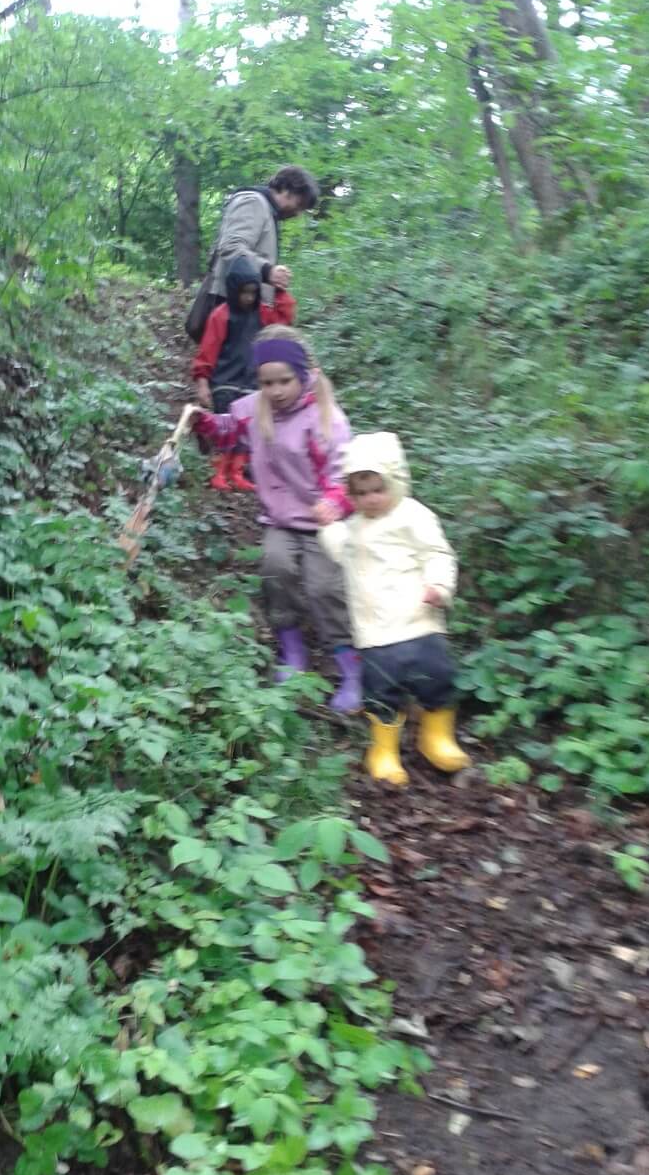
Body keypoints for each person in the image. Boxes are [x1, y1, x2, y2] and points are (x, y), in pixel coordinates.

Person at [192, 325, 361, 713]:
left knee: (324, 587)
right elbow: (229, 432)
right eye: (267, 382)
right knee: (275, 570)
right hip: (281, 519)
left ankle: (349, 663)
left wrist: (334, 502)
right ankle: (292, 649)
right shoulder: (255, 409)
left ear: (304, 375)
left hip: (322, 523)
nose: (276, 391)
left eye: (285, 381)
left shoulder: (326, 419)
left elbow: (344, 474)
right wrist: (204, 423)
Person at [315, 431, 472, 785]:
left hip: (419, 619)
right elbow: (342, 552)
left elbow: (437, 553)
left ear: (396, 481)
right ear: (350, 495)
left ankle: (437, 737)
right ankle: (383, 750)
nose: (370, 499)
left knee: (437, 676)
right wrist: (328, 527)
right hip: (374, 630)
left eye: (378, 489)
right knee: (380, 688)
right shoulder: (354, 527)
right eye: (361, 493)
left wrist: (439, 585)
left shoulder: (413, 515)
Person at [191, 255, 296, 492]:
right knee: (225, 428)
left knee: (247, 429)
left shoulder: (263, 314)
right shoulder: (221, 315)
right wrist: (202, 382)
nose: (248, 298)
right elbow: (207, 350)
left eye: (252, 292)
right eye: (243, 293)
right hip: (224, 382)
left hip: (251, 383)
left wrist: (279, 291)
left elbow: (283, 322)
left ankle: (236, 473)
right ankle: (219, 472)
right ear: (233, 290)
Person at [212, 166, 320, 308]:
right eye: (299, 204)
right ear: (286, 189)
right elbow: (231, 246)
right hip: (227, 307)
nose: (298, 213)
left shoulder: (267, 210)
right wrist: (268, 271)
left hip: (241, 307)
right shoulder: (253, 202)